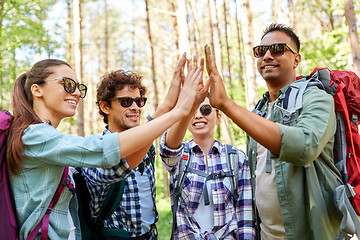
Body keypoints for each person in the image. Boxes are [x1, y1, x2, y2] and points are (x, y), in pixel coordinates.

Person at [6, 57, 208, 239]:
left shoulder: (46, 137)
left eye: (78, 87)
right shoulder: (35, 136)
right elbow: (106, 154)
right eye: (67, 84)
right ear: (36, 89)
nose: (76, 93)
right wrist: (179, 110)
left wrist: (169, 105)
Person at [204, 23, 342, 239]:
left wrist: (226, 104)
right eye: (261, 51)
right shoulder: (257, 112)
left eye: (277, 49)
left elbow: (305, 145)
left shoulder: (316, 98)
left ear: (297, 59)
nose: (267, 56)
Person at [80, 53, 190, 239]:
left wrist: (168, 104)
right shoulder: (94, 152)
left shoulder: (147, 146)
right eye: (125, 102)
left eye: (139, 101)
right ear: (105, 107)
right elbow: (119, 164)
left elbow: (148, 132)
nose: (135, 107)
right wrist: (172, 108)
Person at [159, 93, 256, 239]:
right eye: (192, 111)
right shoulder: (179, 158)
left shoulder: (236, 158)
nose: (198, 115)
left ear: (218, 118)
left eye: (205, 110)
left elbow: (245, 217)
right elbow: (167, 150)